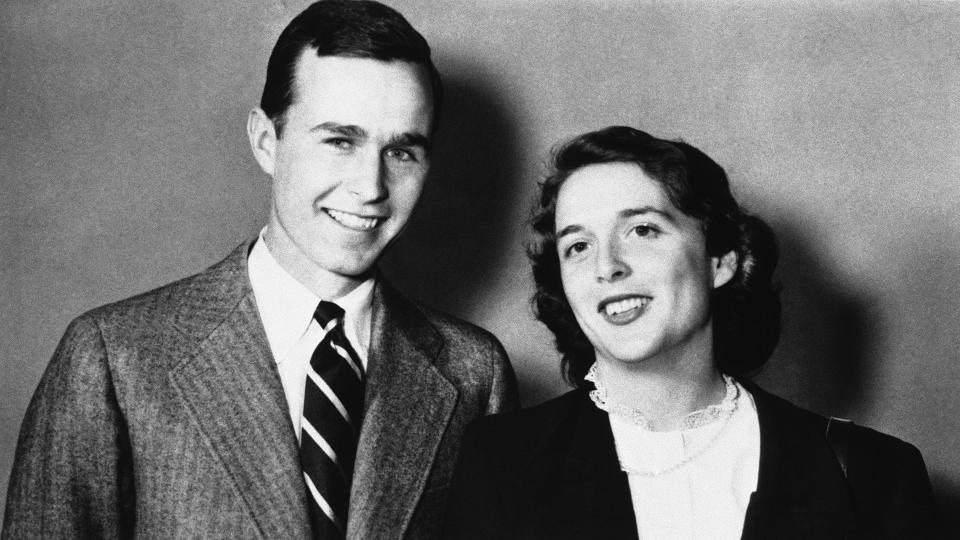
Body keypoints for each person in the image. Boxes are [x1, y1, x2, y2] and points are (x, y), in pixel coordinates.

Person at [2, 1, 517, 538]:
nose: (371, 187)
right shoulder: (114, 358)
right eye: (340, 141)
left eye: (403, 152)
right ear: (266, 142)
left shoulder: (474, 374)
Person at [442, 126, 936, 539]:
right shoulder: (499, 465)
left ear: (722, 261)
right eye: (577, 246)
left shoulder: (874, 476)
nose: (607, 266)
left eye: (642, 231)